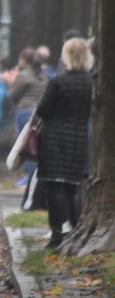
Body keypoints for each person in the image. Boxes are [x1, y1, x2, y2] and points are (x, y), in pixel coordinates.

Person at [35, 38, 92, 249]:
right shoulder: (91, 82)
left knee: (54, 185)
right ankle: (76, 228)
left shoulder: (58, 81)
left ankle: (57, 234)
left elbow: (43, 110)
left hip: (54, 138)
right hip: (78, 138)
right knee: (73, 186)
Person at [6, 48, 49, 185]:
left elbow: (13, 96)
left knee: (26, 146)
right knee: (36, 145)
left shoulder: (23, 75)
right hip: (39, 112)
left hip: (25, 112)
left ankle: (28, 177)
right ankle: (36, 177)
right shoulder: (42, 74)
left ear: (23, 60)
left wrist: (9, 83)